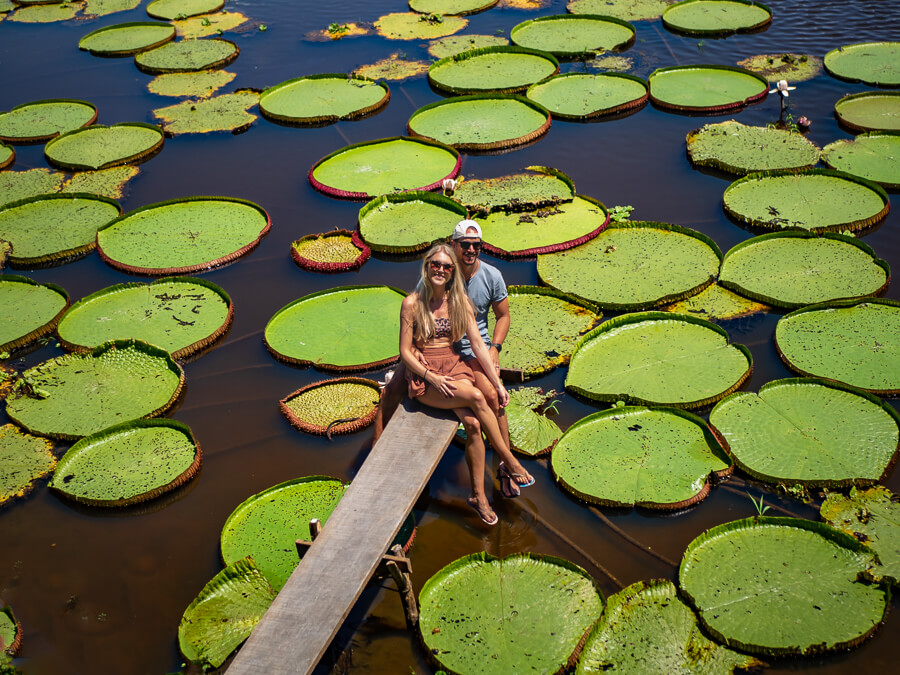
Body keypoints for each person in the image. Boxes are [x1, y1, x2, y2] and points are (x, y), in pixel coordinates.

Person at [398, 243, 534, 525]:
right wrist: (430, 377)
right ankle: (509, 461)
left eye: (447, 267)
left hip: (455, 367)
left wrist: (497, 383)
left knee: (473, 425)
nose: (441, 270)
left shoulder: (459, 301)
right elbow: (404, 352)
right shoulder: (412, 303)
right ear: (427, 266)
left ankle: (477, 496)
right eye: (436, 264)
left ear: (452, 273)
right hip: (429, 377)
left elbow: (478, 345)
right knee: (475, 396)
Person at [373, 220, 511, 455]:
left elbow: (504, 316)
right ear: (453, 245)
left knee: (492, 396)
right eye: (465, 245)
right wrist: (417, 346)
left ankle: (505, 464)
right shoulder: (440, 269)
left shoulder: (491, 276)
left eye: (476, 246)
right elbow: (419, 310)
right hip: (435, 347)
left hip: (470, 349)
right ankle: (375, 449)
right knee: (392, 389)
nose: (470, 250)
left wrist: (495, 348)